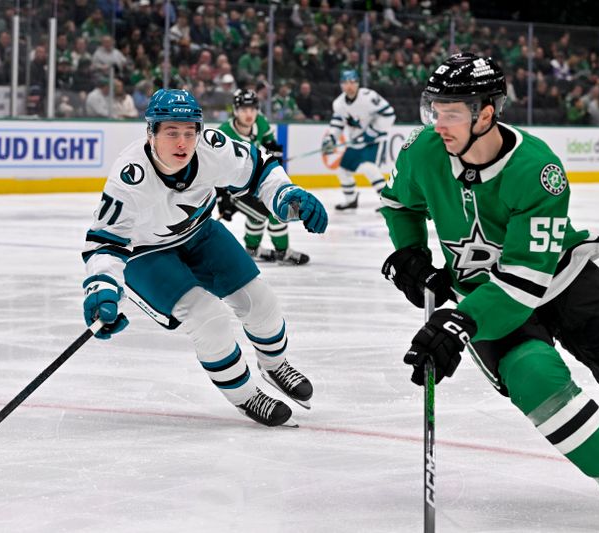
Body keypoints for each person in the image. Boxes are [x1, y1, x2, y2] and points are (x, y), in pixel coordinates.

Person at [380, 52, 599, 504]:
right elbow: (397, 203)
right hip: (484, 297)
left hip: (559, 277)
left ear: (485, 114)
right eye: (433, 110)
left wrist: (459, 322)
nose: (438, 124)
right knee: (534, 376)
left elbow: (525, 281)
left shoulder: (537, 170)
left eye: (449, 113)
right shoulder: (422, 152)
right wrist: (410, 250)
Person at [81, 89, 328, 427]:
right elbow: (105, 244)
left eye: (188, 132)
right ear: (150, 133)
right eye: (171, 133)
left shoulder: (212, 145)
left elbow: (260, 169)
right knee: (208, 319)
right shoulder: (129, 178)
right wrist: (102, 287)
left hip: (200, 233)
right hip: (145, 254)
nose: (182, 142)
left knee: (262, 303)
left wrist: (287, 194)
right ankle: (245, 396)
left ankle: (274, 364)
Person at [216, 89, 310, 265]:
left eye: (252, 109)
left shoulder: (261, 122)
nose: (248, 114)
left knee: (264, 212)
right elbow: (215, 168)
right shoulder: (225, 133)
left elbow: (271, 147)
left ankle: (252, 249)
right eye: (243, 109)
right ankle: (282, 252)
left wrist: (275, 154)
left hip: (257, 181)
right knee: (271, 212)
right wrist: (223, 198)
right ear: (235, 111)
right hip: (235, 189)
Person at [322, 69, 395, 210]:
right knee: (344, 170)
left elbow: (389, 114)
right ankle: (351, 200)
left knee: (369, 168)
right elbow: (337, 123)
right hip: (356, 141)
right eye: (345, 82)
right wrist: (331, 138)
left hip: (374, 140)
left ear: (357, 83)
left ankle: (389, 202)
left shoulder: (369, 96)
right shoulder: (338, 104)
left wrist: (373, 131)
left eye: (352, 82)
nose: (349, 86)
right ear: (341, 85)